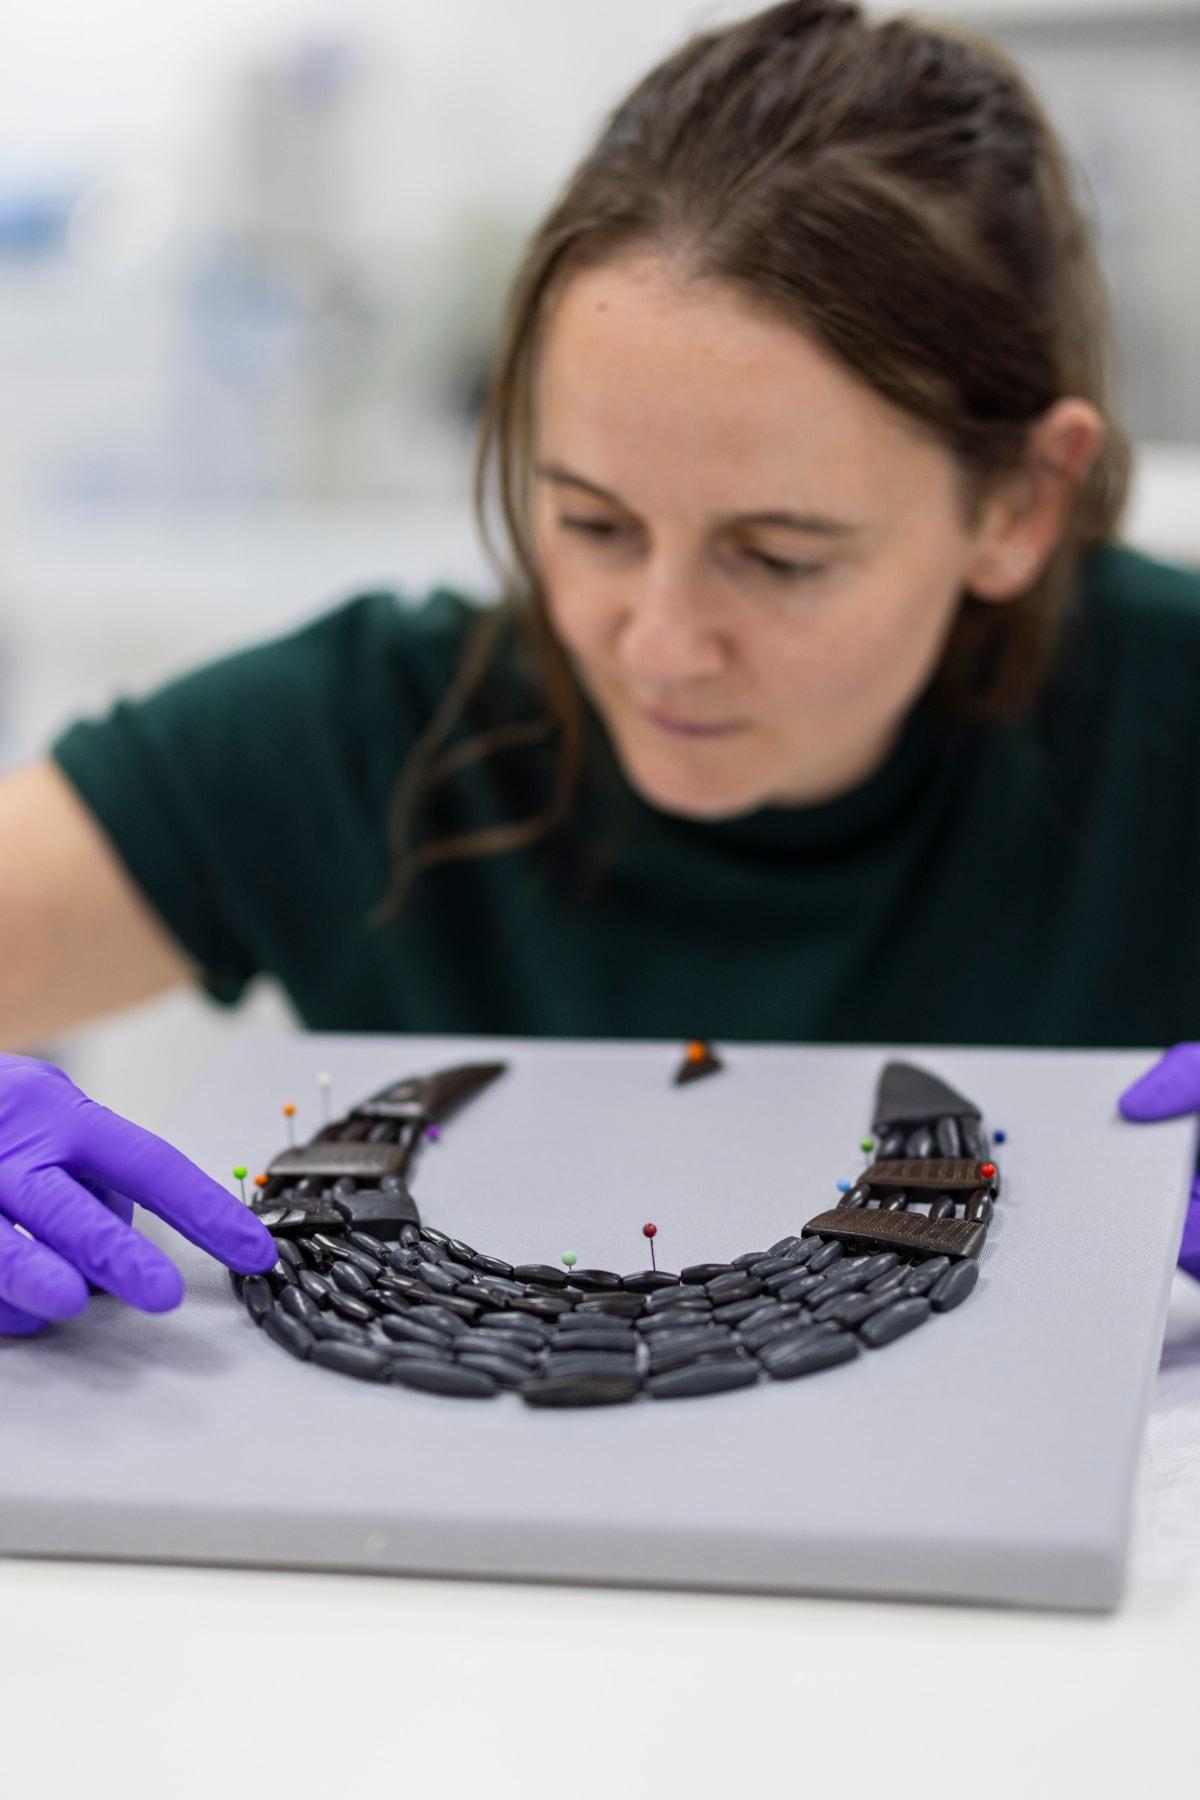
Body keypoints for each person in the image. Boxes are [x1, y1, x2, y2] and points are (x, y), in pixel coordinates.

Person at [1, 0, 1198, 1342]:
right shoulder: (363, 731)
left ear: (1023, 502)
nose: (656, 643)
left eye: (782, 557)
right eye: (591, 523)